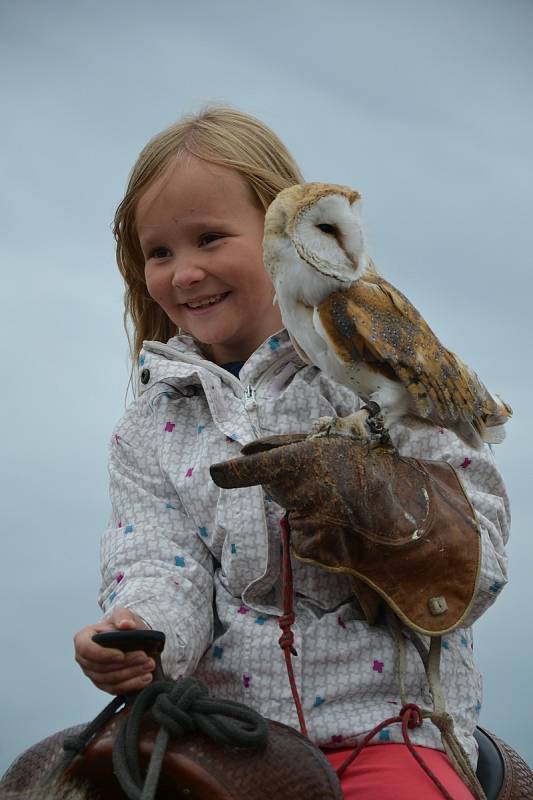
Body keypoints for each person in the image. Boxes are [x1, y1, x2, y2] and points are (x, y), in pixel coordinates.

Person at [73, 106, 510, 799]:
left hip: (384, 729)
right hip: (226, 738)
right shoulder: (150, 424)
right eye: (159, 252)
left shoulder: (375, 363)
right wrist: (139, 634)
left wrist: (381, 512)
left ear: (283, 234)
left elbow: (481, 561)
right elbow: (161, 563)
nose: (184, 273)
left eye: (210, 239)